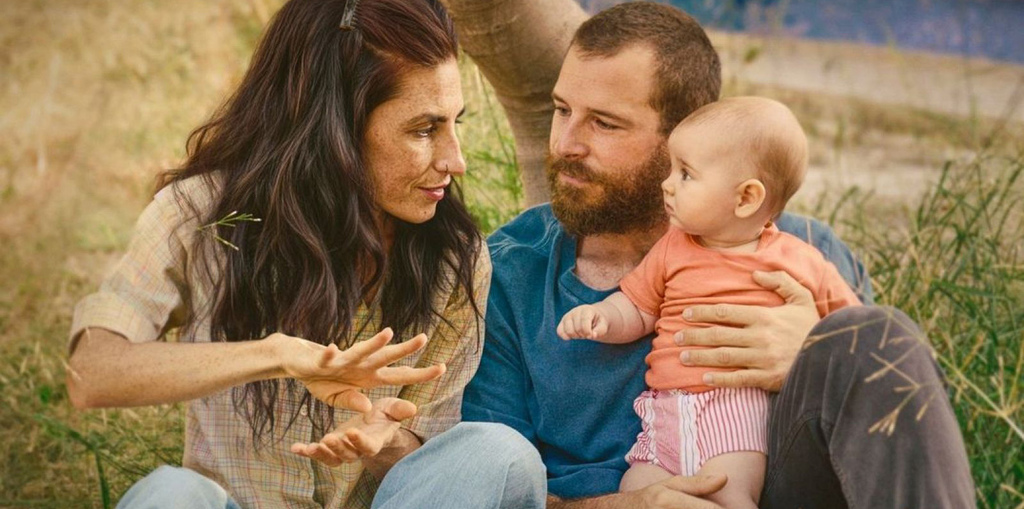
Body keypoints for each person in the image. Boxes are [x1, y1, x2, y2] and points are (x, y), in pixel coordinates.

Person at [456, 3, 975, 508]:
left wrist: (817, 352)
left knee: (876, 337)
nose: (566, 143)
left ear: (684, 134)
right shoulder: (508, 273)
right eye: (562, 110)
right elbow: (491, 488)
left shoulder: (801, 251)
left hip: (766, 491)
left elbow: (903, 439)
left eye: (605, 124)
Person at [63, 0, 546, 508]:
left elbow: (436, 481)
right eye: (424, 130)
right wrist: (276, 356)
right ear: (334, 126)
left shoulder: (454, 257)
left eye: (454, 124)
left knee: (501, 454)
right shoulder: (204, 214)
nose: (456, 160)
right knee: (172, 493)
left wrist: (384, 441)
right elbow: (91, 374)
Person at [556, 96, 862, 508]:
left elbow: (858, 332)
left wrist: (812, 344)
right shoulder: (673, 248)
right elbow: (638, 307)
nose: (667, 184)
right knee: (638, 488)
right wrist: (602, 317)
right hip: (665, 409)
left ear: (746, 198)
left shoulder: (797, 259)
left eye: (686, 174)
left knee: (728, 492)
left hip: (733, 405)